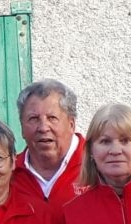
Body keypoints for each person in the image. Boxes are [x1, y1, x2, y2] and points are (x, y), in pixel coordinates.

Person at [12, 79, 86, 214]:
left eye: (52, 118)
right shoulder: (8, 173)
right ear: (22, 127)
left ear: (71, 125)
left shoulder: (98, 165)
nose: (43, 128)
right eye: (33, 118)